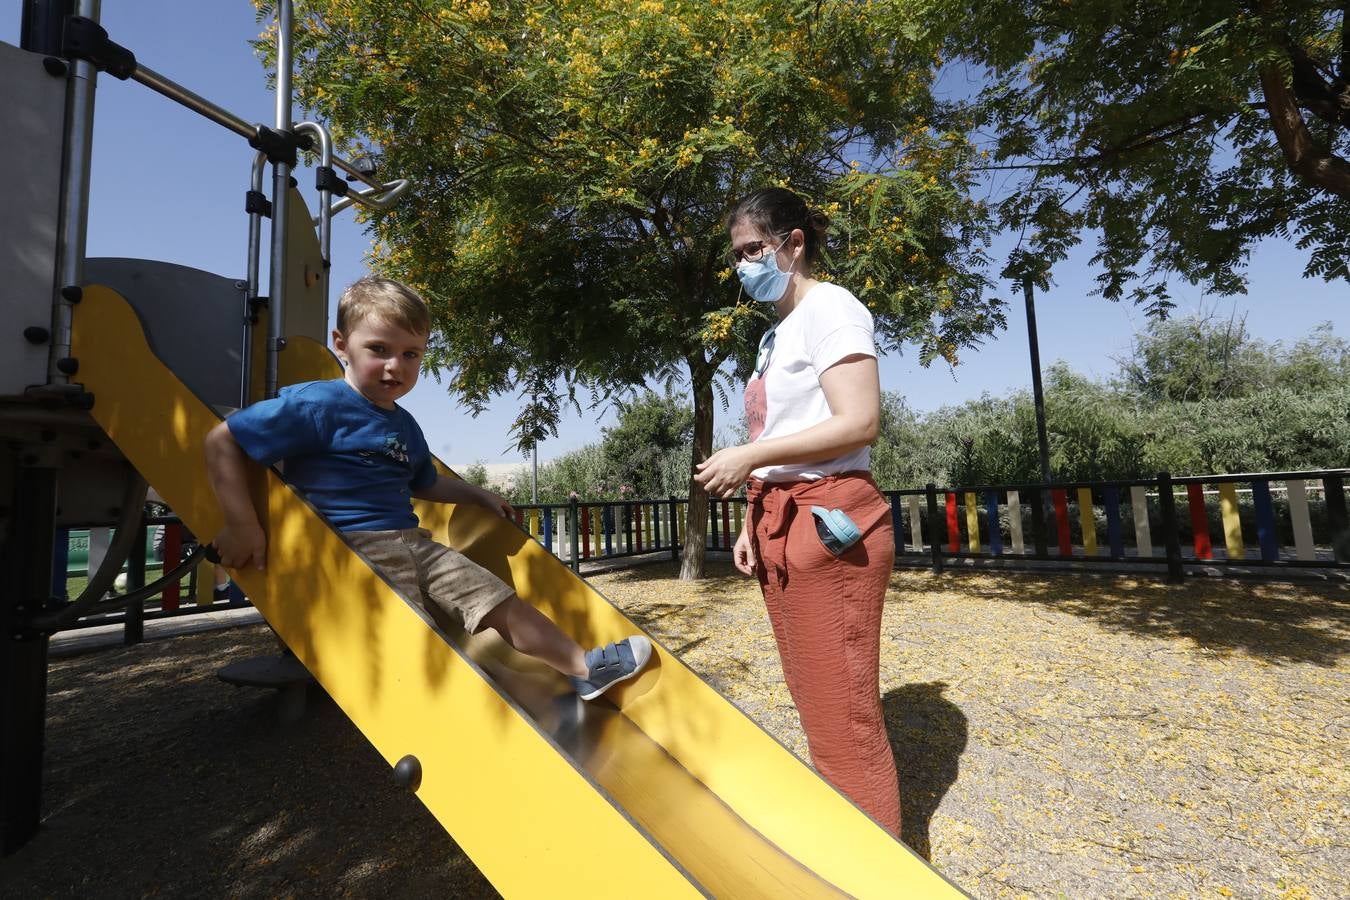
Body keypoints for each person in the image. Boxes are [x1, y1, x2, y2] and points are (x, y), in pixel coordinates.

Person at [204, 276, 651, 701]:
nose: (394, 366)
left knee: (494, 598)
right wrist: (243, 524)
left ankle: (584, 668)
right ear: (341, 345)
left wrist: (475, 493)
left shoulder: (404, 425)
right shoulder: (316, 405)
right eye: (378, 349)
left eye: (411, 354)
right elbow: (223, 440)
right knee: (412, 637)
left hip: (416, 543)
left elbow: (424, 483)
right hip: (353, 551)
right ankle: (440, 710)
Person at [693, 187, 901, 836]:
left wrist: (748, 454)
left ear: (794, 244)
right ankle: (850, 850)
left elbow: (859, 421)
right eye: (736, 255)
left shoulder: (833, 309)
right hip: (783, 525)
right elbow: (788, 437)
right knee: (818, 703)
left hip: (830, 524)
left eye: (753, 249)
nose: (743, 265)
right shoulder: (777, 335)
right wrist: (754, 519)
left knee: (845, 721)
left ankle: (880, 874)